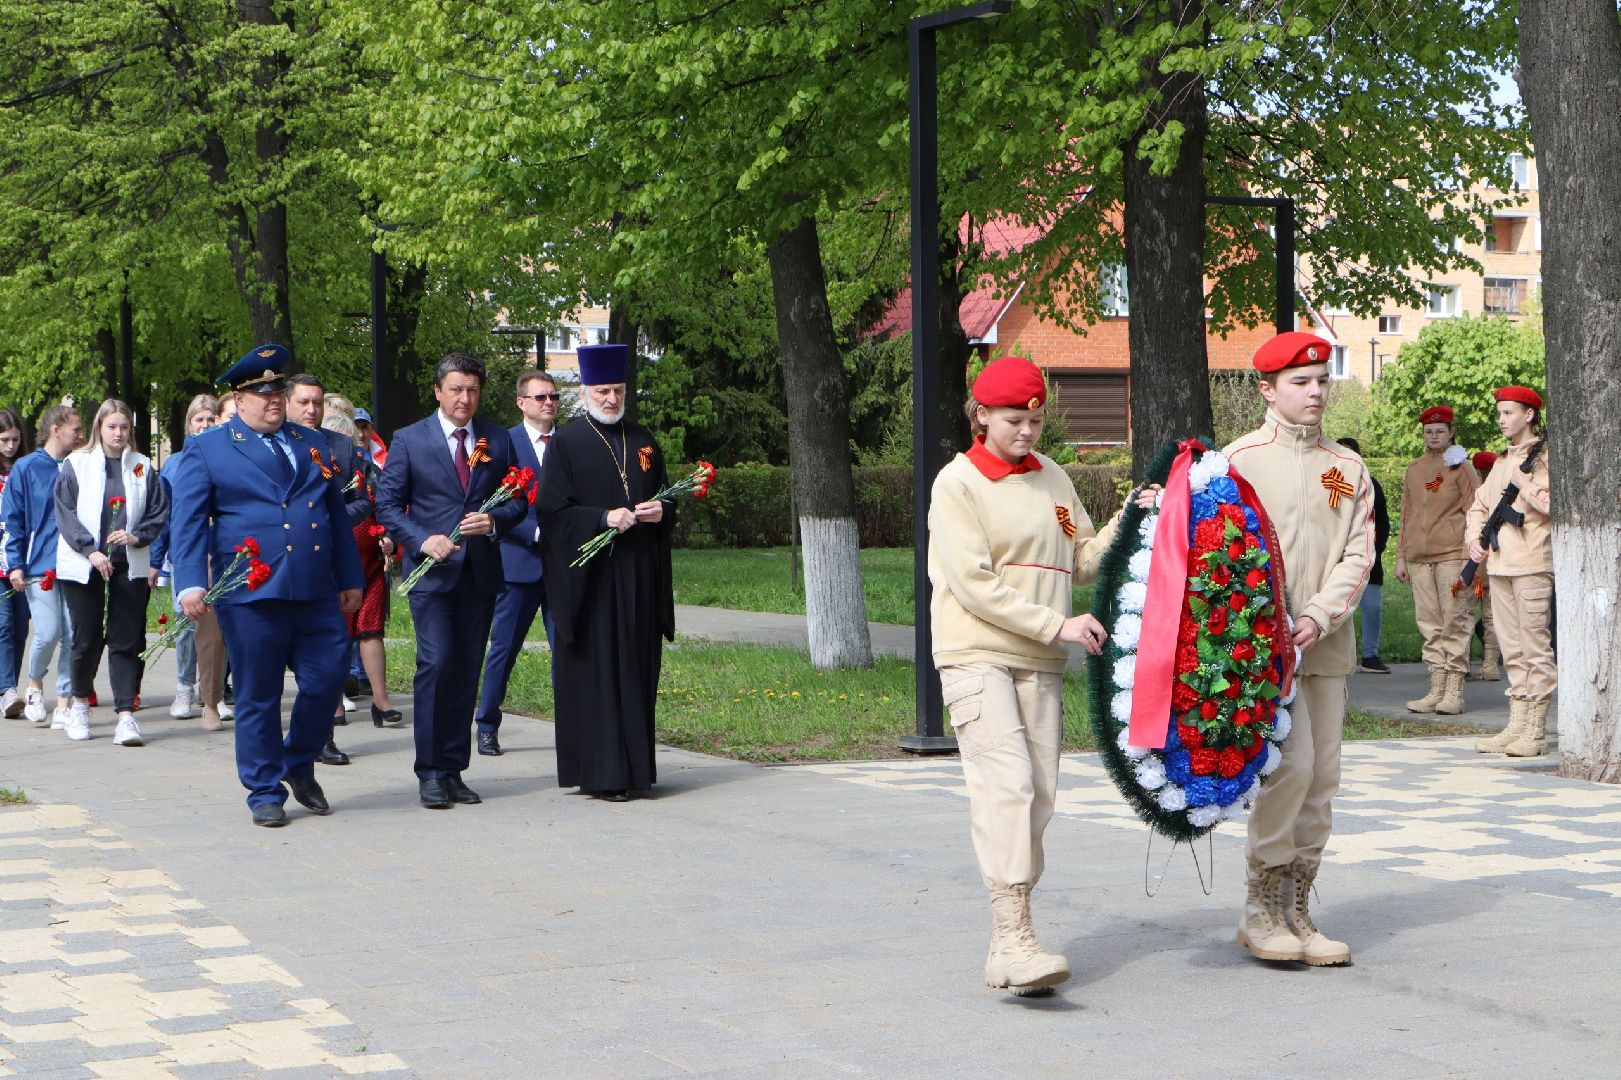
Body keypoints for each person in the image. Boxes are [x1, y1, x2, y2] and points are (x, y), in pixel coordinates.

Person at [928, 355, 1146, 996]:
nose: (1027, 431)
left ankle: (1014, 939)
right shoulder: (957, 483)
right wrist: (1059, 626)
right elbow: (972, 583)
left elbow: (1080, 559)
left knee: (1041, 793)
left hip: (1039, 658)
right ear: (982, 416)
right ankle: (1012, 938)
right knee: (1010, 785)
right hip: (977, 653)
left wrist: (1132, 516)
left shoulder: (1052, 477)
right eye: (1013, 420)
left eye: (1035, 420)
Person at [168, 344, 363, 827]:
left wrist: (349, 577)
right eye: (262, 392)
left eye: (278, 389)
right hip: (252, 591)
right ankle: (263, 789)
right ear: (239, 396)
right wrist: (190, 582)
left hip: (315, 587)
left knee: (328, 677)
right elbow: (189, 522)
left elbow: (335, 513)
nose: (273, 399)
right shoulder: (209, 447)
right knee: (258, 692)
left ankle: (297, 762)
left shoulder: (308, 442)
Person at [1225, 332, 1372, 967]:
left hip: (1326, 644)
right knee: (1290, 768)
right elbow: (1223, 559)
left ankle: (1298, 908)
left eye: (1321, 381)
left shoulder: (1348, 467)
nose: (1315, 393)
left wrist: (1319, 613)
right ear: (1267, 390)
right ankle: (1261, 907)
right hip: (1266, 652)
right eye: (1300, 383)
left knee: (1324, 777)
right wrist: (1270, 623)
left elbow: (1359, 552)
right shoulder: (1238, 463)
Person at [375, 352, 523, 810]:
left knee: (465, 668)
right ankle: (430, 771)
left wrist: (494, 520)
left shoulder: (497, 439)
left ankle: (455, 768)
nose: (465, 398)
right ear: (438, 391)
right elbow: (387, 506)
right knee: (436, 664)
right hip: (432, 574)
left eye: (473, 390)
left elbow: (519, 499)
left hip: (479, 573)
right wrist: (422, 541)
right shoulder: (409, 440)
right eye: (456, 389)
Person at [537, 344, 675, 803]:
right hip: (592, 584)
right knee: (600, 675)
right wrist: (601, 519)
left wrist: (662, 510)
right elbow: (552, 512)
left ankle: (636, 771)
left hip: (637, 576)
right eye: (602, 390)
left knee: (635, 671)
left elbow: (666, 496)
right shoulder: (568, 443)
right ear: (585, 391)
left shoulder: (645, 440)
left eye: (617, 390)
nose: (611, 398)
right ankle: (603, 774)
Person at [53, 399, 167, 745]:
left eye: (124, 427)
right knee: (85, 637)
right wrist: (90, 550)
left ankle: (125, 715)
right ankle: (79, 706)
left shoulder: (142, 466)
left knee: (126, 638)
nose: (118, 433)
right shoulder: (77, 463)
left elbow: (157, 512)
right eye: (112, 426)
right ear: (98, 428)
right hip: (84, 563)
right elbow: (65, 513)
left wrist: (137, 535)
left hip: (127, 563)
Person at [285, 373, 369, 765]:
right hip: (280, 569)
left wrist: (331, 521)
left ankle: (323, 737)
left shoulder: (341, 447)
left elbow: (361, 499)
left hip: (327, 565)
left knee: (328, 658)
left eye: (317, 402)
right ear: (287, 404)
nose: (311, 410)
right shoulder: (274, 444)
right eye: (303, 402)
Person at [474, 369, 559, 757]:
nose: (548, 403)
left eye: (553, 397)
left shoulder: (570, 444)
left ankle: (572, 728)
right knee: (503, 649)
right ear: (521, 402)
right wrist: (533, 531)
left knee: (569, 649)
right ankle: (487, 724)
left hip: (563, 567)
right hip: (519, 563)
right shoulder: (504, 443)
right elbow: (495, 500)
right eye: (540, 397)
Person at [1467, 386, 1553, 758]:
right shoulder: (1502, 462)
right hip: (1500, 566)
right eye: (1499, 413)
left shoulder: (1544, 457)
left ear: (1529, 415)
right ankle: (1517, 722)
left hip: (1532, 563)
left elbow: (1554, 505)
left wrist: (1526, 484)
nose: (1502, 420)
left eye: (1509, 413)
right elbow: (1479, 506)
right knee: (1512, 649)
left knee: (1535, 647)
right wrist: (1473, 539)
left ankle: (1536, 730)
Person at [1391, 407, 1479, 715]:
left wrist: (1473, 553)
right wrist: (1401, 556)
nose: (1434, 436)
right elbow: (1406, 515)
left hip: (1454, 554)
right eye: (1429, 431)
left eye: (1440, 431)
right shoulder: (1414, 469)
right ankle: (1436, 688)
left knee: (1455, 619)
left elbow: (1475, 511)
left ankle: (1454, 690)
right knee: (1429, 623)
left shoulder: (1461, 467)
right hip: (1419, 556)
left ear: (1451, 432)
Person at [152, 395, 228, 729]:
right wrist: (157, 559)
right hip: (185, 555)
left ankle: (214, 692)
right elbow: (168, 516)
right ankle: (184, 685)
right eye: (199, 420)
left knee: (218, 628)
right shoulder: (176, 464)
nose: (206, 425)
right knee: (186, 624)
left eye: (211, 419)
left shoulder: (228, 456)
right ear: (189, 423)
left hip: (222, 554)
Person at [321, 410, 402, 727]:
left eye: (352, 442)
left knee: (371, 631)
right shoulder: (321, 473)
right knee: (337, 634)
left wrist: (390, 541)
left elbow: (386, 508)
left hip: (369, 562)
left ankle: (381, 702)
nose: (350, 449)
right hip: (335, 564)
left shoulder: (370, 470)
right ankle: (335, 702)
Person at [5, 405, 81, 730]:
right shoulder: (26, 468)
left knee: (73, 634)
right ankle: (35, 684)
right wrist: (15, 564)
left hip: (75, 562)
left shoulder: (79, 465)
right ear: (56, 429)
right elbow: (13, 519)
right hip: (39, 565)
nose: (80, 435)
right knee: (49, 632)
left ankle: (64, 701)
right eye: (75, 429)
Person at [1338, 437, 1390, 674]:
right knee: (1337, 609)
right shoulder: (1329, 481)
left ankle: (1370, 655)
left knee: (1372, 609)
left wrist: (1374, 550)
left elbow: (1382, 522)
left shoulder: (1372, 484)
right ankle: (1338, 658)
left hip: (1368, 559)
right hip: (1335, 561)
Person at [0, 408, 31, 718]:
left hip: (22, 558)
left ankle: (9, 686)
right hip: (0, 559)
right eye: (4, 440)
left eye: (14, 439)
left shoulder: (24, 469)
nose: (10, 446)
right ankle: (7, 690)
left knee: (21, 625)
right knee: (5, 624)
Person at [1468, 451, 1501, 681]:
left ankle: (1466, 662)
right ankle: (1490, 664)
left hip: (1475, 562)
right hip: (1491, 562)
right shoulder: (1498, 490)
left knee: (1466, 615)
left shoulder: (1475, 493)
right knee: (1491, 618)